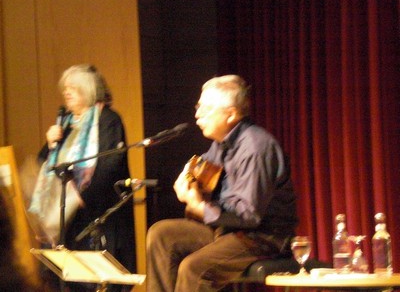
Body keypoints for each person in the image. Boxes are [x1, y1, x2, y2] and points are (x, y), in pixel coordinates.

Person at [146, 75, 298, 291]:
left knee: (194, 268)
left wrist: (200, 207)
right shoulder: (221, 145)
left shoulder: (255, 148)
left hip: (262, 237)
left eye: (206, 109)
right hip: (227, 229)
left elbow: (249, 215)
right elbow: (201, 173)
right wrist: (187, 181)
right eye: (198, 106)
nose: (197, 115)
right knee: (161, 234)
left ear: (231, 114)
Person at [30, 64, 135, 291]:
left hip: (95, 213)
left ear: (90, 91)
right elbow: (44, 165)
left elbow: (111, 165)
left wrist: (81, 196)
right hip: (65, 216)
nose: (66, 93)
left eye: (73, 89)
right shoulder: (65, 124)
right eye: (65, 88)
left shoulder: (108, 120)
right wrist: (50, 144)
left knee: (93, 282)